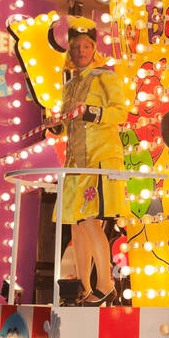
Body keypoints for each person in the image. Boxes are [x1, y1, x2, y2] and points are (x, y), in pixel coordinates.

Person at [47, 25, 129, 305]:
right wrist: (56, 125)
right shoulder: (69, 85)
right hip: (74, 163)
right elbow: (69, 124)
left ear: (94, 49)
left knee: (92, 222)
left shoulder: (105, 76)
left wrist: (90, 111)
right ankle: (83, 287)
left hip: (99, 158)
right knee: (76, 226)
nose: (80, 51)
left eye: (86, 46)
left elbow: (120, 112)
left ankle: (105, 285)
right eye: (76, 47)